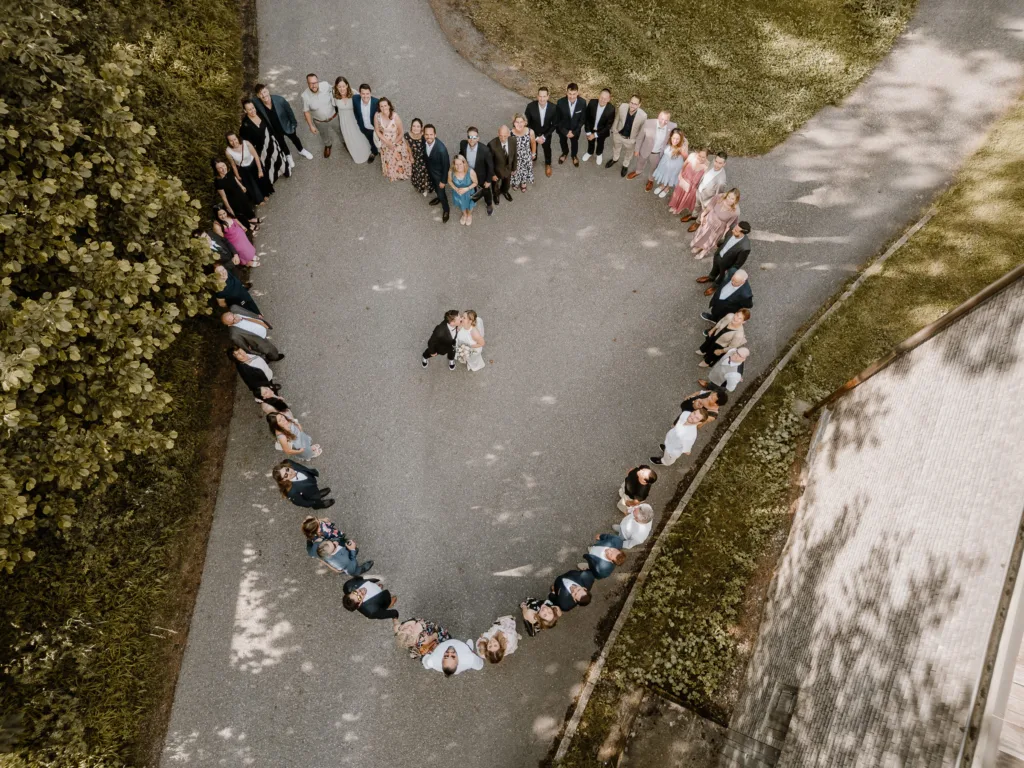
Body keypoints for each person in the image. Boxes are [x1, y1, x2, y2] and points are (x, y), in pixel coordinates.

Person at [255, 83, 312, 161]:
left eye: (264, 92)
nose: (263, 95)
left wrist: (293, 124)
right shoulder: (257, 104)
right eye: (260, 94)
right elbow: (249, 102)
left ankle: (301, 150)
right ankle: (288, 155)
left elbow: (289, 112)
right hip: (274, 129)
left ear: (268, 91)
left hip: (287, 125)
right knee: (281, 142)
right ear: (258, 96)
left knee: (295, 138)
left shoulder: (280, 100)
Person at [240, 98, 286, 186]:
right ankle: (273, 176)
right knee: (268, 162)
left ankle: (283, 170)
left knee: (277, 156)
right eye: (249, 109)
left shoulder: (260, 114)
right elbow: (246, 141)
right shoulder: (245, 124)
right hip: (260, 147)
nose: (253, 110)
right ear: (245, 111)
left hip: (270, 140)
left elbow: (268, 125)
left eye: (253, 108)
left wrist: (273, 136)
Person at [697, 222, 752, 294]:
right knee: (715, 268)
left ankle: (715, 286)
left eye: (736, 230)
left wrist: (730, 271)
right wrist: (718, 244)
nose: (733, 230)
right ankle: (711, 277)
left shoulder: (745, 247)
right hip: (718, 255)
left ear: (743, 233)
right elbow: (725, 239)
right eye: (735, 228)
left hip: (727, 264)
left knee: (722, 276)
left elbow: (738, 263)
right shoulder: (732, 229)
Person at [627, 110, 677, 188]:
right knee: (640, 162)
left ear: (669, 120)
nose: (663, 122)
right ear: (658, 117)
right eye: (661, 119)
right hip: (644, 150)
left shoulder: (673, 126)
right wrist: (637, 150)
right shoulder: (648, 123)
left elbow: (680, 138)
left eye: (666, 120)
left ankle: (651, 179)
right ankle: (638, 171)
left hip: (657, 153)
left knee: (654, 167)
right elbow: (640, 138)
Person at [691, 189, 741, 260]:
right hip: (709, 220)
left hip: (719, 227)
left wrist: (723, 236)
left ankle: (704, 252)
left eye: (732, 199)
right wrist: (703, 216)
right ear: (727, 194)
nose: (729, 199)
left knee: (710, 241)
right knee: (703, 235)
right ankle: (699, 247)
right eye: (729, 196)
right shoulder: (719, 197)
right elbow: (710, 207)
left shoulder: (736, 211)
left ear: (736, 200)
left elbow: (729, 225)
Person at [331, 77, 371, 164]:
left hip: (354, 118)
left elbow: (362, 102)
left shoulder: (353, 93)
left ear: (347, 85)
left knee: (359, 135)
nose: (342, 89)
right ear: (336, 87)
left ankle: (366, 150)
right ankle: (357, 154)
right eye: (339, 87)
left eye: (343, 86)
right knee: (350, 137)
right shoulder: (334, 94)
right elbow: (334, 106)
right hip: (344, 121)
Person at [301, 73, 341, 158]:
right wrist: (311, 126)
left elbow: (336, 90)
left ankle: (345, 142)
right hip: (320, 122)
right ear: (307, 83)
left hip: (334, 117)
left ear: (318, 81)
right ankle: (328, 145)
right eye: (311, 83)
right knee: (324, 135)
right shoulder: (305, 96)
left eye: (315, 82)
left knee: (340, 131)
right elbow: (306, 111)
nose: (314, 85)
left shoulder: (326, 85)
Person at [212, 159, 259, 231]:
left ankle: (251, 219)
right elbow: (223, 197)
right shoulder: (218, 182)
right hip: (233, 200)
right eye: (220, 168)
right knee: (240, 213)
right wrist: (229, 208)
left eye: (223, 166)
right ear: (216, 170)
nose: (223, 168)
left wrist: (241, 186)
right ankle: (249, 226)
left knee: (246, 206)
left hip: (239, 193)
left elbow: (234, 178)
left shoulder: (229, 172)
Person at [685, 151, 728, 229]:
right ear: (714, 159)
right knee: (696, 205)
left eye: (720, 163)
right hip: (700, 191)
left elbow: (718, 195)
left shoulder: (721, 181)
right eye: (716, 161)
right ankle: (694, 216)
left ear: (724, 164)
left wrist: (711, 204)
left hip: (708, 199)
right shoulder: (712, 163)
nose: (717, 165)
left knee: (703, 211)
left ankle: (698, 222)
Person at [224, 132, 269, 206]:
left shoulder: (246, 143)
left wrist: (259, 170)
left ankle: (265, 194)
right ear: (228, 142)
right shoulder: (228, 151)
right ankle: (259, 199)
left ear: (237, 138)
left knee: (259, 179)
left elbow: (256, 156)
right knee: (251, 185)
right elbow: (233, 165)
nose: (234, 142)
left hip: (253, 163)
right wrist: (237, 175)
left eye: (235, 139)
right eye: (231, 141)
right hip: (243, 169)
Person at [373, 97, 412, 181]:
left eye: (385, 105)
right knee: (388, 158)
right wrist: (387, 142)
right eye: (381, 106)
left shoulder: (395, 117)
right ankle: (392, 172)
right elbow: (377, 130)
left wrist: (393, 143)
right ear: (379, 107)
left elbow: (401, 132)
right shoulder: (377, 115)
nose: (384, 108)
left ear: (389, 106)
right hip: (384, 140)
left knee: (398, 157)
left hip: (396, 140)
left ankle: (400, 173)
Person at [608, 95, 647, 177]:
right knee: (616, 148)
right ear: (629, 102)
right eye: (631, 103)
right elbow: (617, 118)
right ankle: (615, 159)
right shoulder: (622, 107)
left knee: (629, 154)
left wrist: (635, 141)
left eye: (635, 104)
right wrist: (614, 129)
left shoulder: (643, 116)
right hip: (618, 134)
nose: (632, 106)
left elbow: (641, 131)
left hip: (630, 140)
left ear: (639, 105)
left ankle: (625, 165)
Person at [460, 127, 496, 215]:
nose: (472, 139)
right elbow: (461, 153)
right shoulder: (463, 144)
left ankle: (489, 204)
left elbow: (490, 166)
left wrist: (488, 181)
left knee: (486, 191)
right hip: (468, 174)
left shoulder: (485, 150)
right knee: (470, 188)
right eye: (469, 137)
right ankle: (471, 199)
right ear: (467, 137)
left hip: (481, 176)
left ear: (478, 138)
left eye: (474, 137)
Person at [525, 86, 557, 176]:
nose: (542, 99)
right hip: (533, 134)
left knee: (547, 149)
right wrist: (535, 137)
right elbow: (527, 123)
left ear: (548, 97)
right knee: (532, 148)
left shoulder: (553, 108)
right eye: (540, 96)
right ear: (537, 96)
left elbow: (554, 124)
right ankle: (533, 160)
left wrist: (544, 136)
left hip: (546, 135)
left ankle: (548, 164)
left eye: (544, 96)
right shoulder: (530, 107)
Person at [422, 124, 451, 223]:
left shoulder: (441, 149)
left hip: (439, 176)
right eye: (426, 134)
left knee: (442, 194)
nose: (428, 137)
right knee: (436, 189)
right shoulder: (424, 141)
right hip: (431, 173)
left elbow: (446, 166)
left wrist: (443, 181)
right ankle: (438, 197)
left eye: (431, 134)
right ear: (423, 134)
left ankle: (446, 210)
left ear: (435, 135)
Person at [668, 148, 708, 216]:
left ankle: (679, 208)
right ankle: (674, 206)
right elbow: (685, 164)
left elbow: (703, 180)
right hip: (684, 180)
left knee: (685, 198)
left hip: (692, 186)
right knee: (678, 193)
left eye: (703, 157)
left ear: (706, 157)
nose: (701, 158)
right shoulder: (692, 156)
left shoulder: (707, 166)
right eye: (699, 155)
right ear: (697, 153)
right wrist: (680, 174)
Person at [555, 83, 587, 167]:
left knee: (574, 143)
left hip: (575, 130)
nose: (572, 97)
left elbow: (582, 119)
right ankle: (565, 153)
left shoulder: (583, 103)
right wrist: (565, 131)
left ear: (577, 93)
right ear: (566, 92)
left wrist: (575, 131)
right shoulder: (560, 102)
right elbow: (557, 119)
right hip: (563, 129)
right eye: (570, 93)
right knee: (562, 142)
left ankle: (574, 155)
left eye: (574, 94)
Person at [650, 129, 687, 198]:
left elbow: (686, 158)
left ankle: (667, 189)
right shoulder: (668, 142)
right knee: (664, 174)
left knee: (671, 176)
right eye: (674, 138)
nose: (675, 141)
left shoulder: (681, 147)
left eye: (678, 139)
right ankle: (662, 186)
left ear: (681, 139)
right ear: (671, 137)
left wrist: (682, 152)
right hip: (664, 163)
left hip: (675, 166)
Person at [582, 88, 614, 164]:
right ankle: (590, 152)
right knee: (590, 142)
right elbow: (586, 118)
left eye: (605, 99)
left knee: (600, 143)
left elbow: (608, 126)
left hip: (602, 131)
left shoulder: (611, 109)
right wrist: (588, 131)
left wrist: (596, 135)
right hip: (591, 128)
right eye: (601, 97)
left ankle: (599, 154)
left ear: (609, 99)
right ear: (598, 96)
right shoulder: (592, 102)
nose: (602, 100)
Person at [488, 125, 517, 205]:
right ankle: (496, 195)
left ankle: (505, 191)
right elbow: (489, 162)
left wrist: (514, 168)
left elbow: (514, 155)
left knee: (507, 183)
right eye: (501, 136)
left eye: (505, 136)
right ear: (498, 134)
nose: (503, 139)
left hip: (508, 168)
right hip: (497, 170)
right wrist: (492, 174)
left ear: (509, 134)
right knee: (495, 185)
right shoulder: (492, 145)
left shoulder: (513, 141)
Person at [352, 84, 380, 162]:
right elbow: (356, 112)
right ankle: (374, 152)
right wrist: (359, 123)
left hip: (376, 128)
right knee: (371, 140)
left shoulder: (376, 102)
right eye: (363, 94)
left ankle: (383, 153)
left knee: (381, 141)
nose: (365, 96)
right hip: (365, 128)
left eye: (367, 93)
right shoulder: (355, 99)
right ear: (360, 93)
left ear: (370, 93)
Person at [509, 114, 535, 192]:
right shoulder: (510, 133)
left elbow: (533, 143)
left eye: (521, 122)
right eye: (517, 122)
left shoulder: (530, 131)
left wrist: (533, 153)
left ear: (525, 122)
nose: (519, 124)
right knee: (515, 170)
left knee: (525, 169)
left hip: (526, 155)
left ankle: (523, 183)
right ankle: (516, 182)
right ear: (514, 123)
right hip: (515, 157)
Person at [449, 155, 478, 226]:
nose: (458, 166)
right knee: (461, 204)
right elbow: (450, 181)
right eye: (456, 164)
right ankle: (464, 215)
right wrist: (456, 188)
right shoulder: (451, 172)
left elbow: (476, 182)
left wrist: (466, 189)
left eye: (460, 164)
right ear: (454, 164)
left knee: (470, 205)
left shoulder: (470, 172)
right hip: (458, 193)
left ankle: (469, 215)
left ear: (464, 163)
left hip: (469, 193)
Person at [406, 118, 431, 197]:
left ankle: (427, 187)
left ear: (421, 128)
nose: (415, 128)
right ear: (411, 127)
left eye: (418, 126)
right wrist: (411, 156)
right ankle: (421, 188)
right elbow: (408, 147)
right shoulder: (407, 136)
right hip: (416, 159)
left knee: (426, 174)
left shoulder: (425, 136)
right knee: (418, 174)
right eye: (414, 126)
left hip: (425, 158)